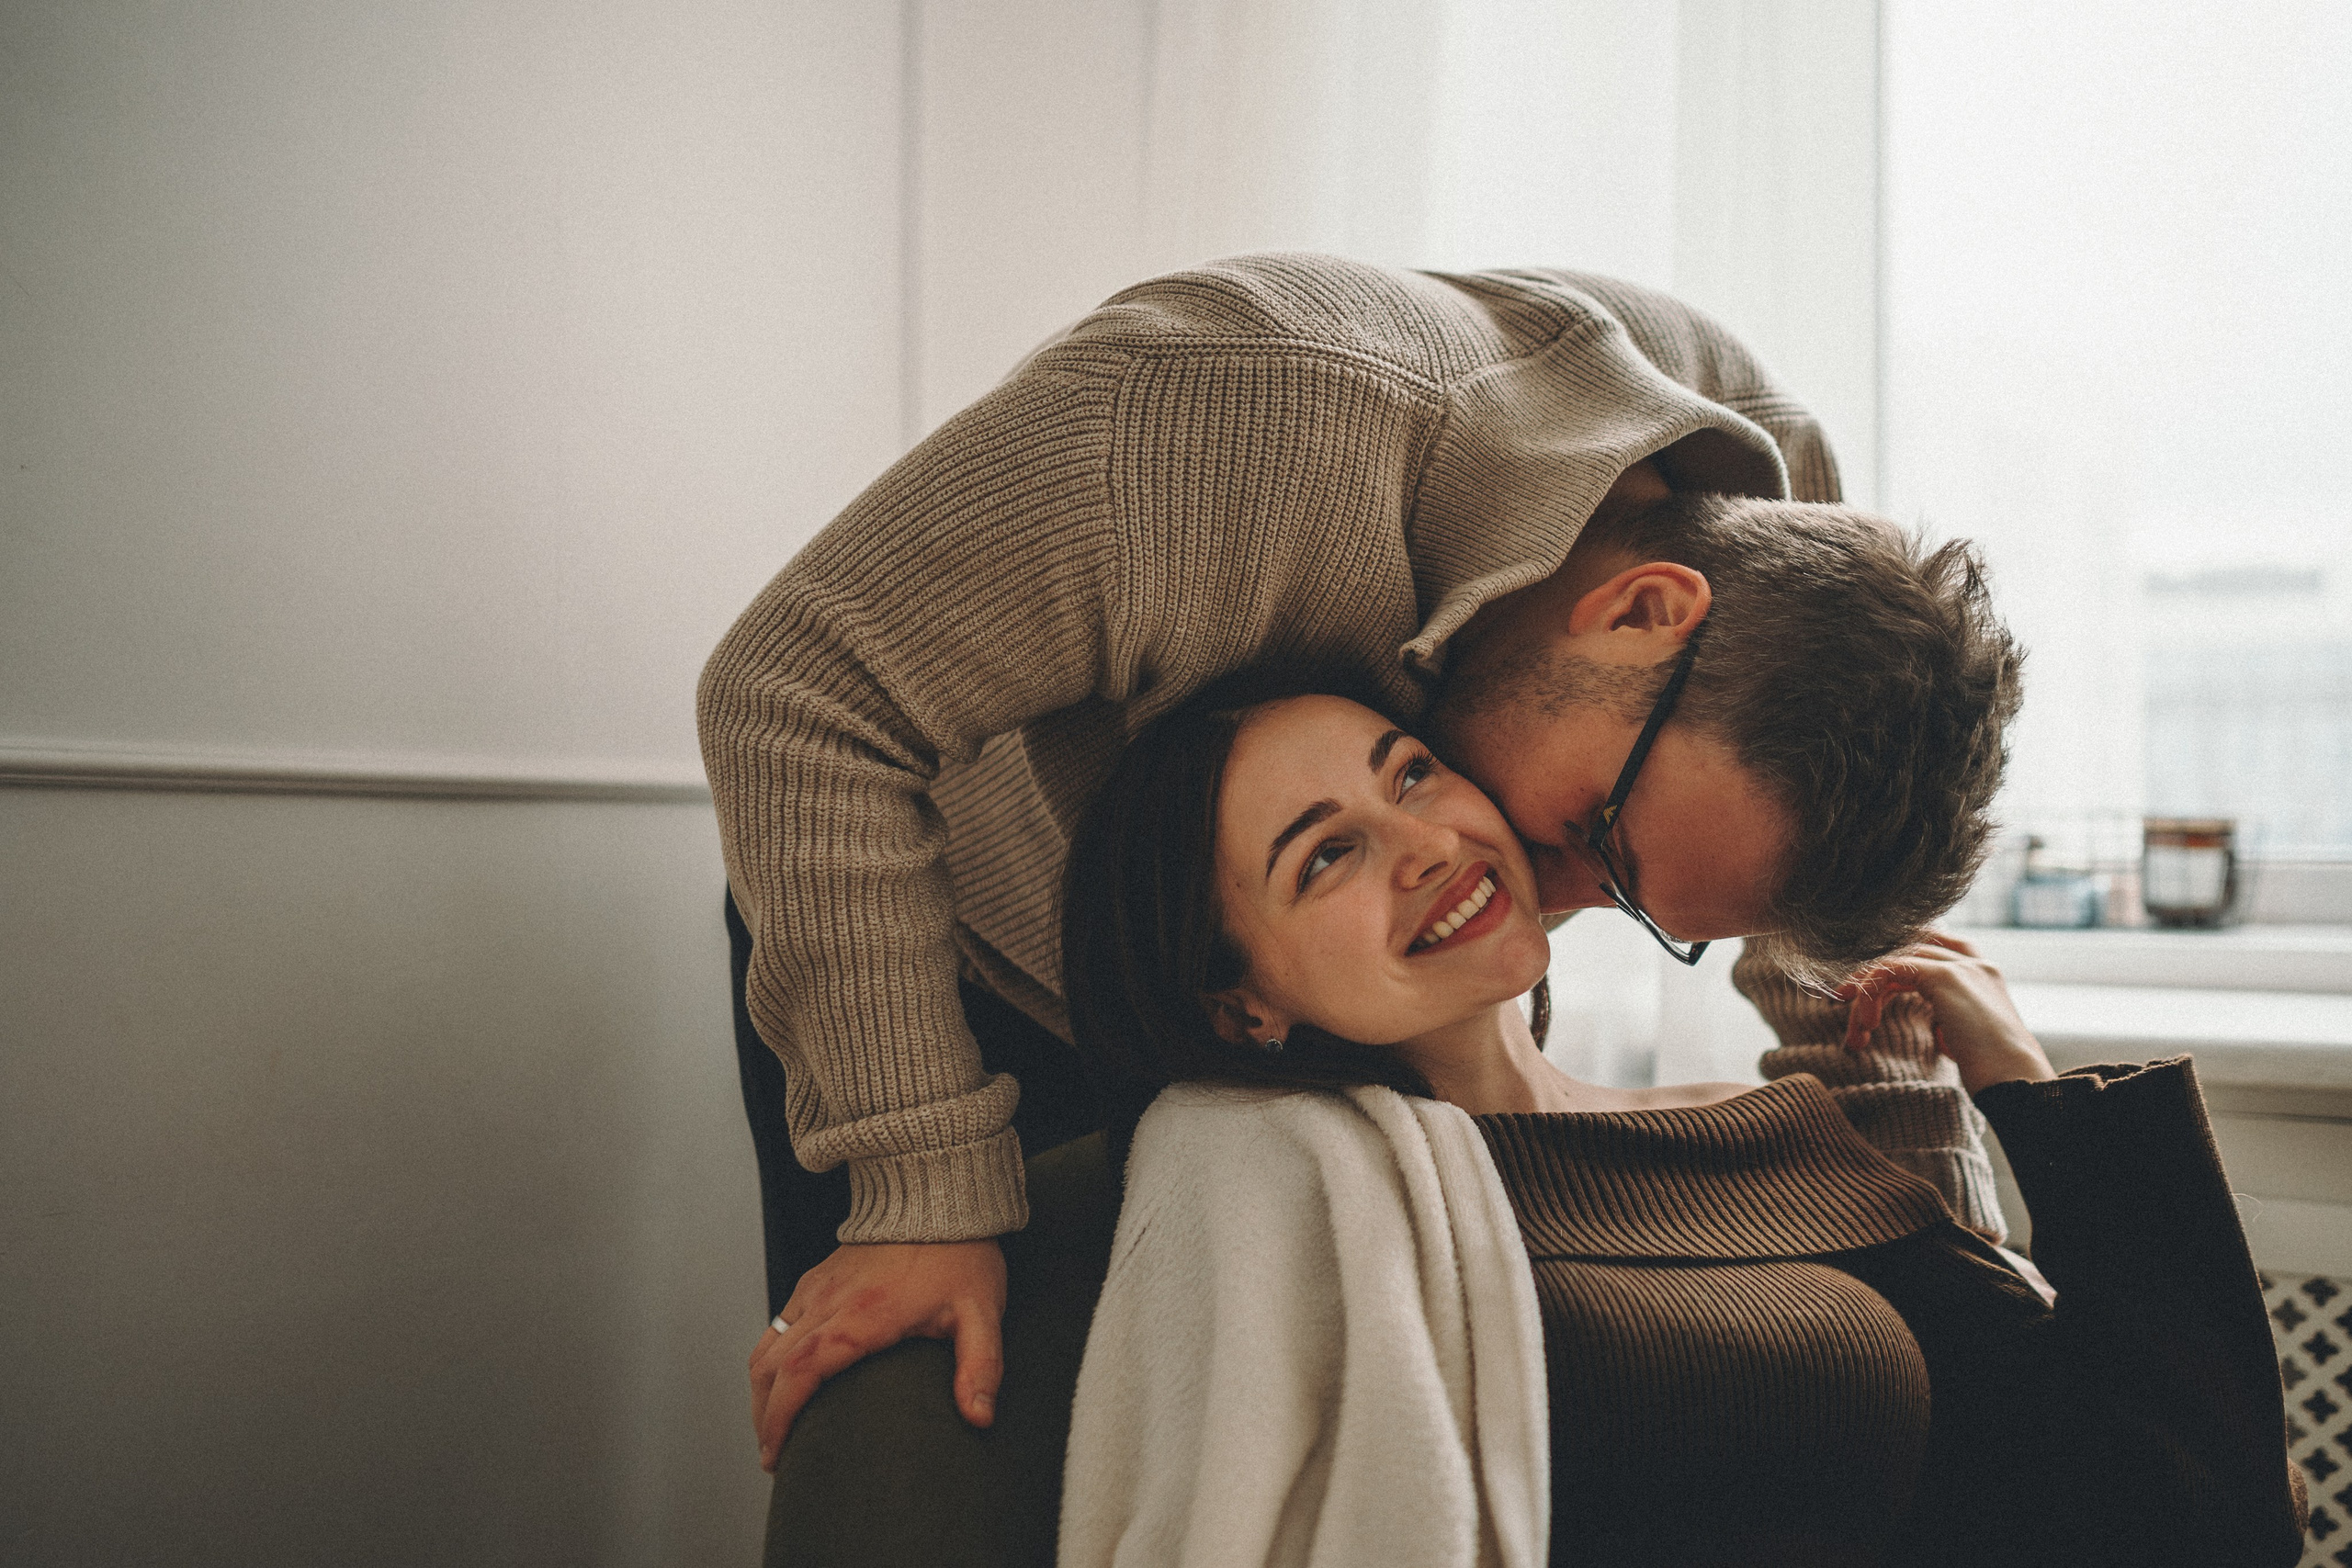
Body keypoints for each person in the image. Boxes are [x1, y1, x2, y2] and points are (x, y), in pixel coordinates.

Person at [707, 254, 2026, 1469]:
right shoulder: (1217, 417)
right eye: (1592, 844)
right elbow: (794, 697)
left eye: (1636, 905)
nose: (1548, 901)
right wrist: (920, 1194)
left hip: (1318, 1009)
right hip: (937, 942)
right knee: (940, 1433)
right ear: (1640, 613)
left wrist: (1897, 1123)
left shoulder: (1783, 542)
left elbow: (1753, 871)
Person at [1054, 677, 2306, 1567]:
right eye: (1324, 857)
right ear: (1241, 1000)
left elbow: (2205, 1503)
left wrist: (2026, 1088)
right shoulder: (1320, 1207)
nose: (1426, 842)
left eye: (1414, 773)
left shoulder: (1779, 1130)